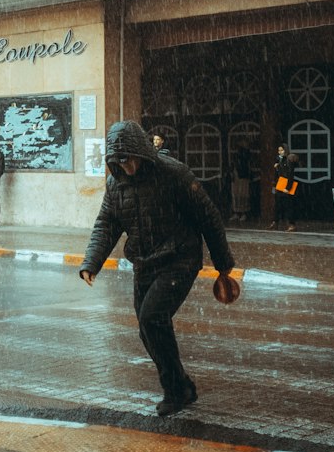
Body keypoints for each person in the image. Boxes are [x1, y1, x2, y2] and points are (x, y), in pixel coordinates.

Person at [79, 120, 236, 417]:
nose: (125, 167)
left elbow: (208, 217)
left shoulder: (174, 174)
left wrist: (223, 264)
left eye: (128, 159)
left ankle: (174, 391)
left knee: (152, 318)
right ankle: (182, 385)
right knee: (147, 329)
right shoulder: (116, 184)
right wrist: (92, 262)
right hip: (144, 261)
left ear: (140, 152)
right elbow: (107, 223)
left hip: (180, 258)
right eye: (118, 161)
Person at [271, 144, 300, 231]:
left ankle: (291, 224)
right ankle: (275, 222)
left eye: (282, 150)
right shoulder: (279, 160)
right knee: (278, 205)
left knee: (288, 206)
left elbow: (290, 174)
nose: (280, 152)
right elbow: (278, 174)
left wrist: (288, 187)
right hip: (280, 184)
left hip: (286, 185)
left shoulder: (289, 160)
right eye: (279, 150)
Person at [231, 143, 252, 221]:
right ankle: (236, 212)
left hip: (243, 177)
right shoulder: (236, 158)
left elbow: (248, 167)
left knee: (243, 195)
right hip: (236, 177)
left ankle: (243, 213)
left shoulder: (245, 158)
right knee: (236, 195)